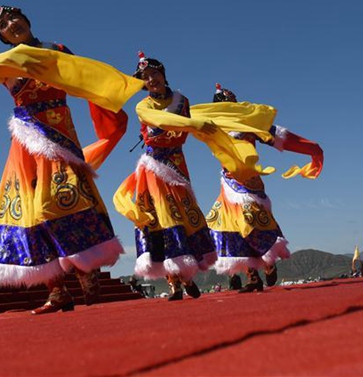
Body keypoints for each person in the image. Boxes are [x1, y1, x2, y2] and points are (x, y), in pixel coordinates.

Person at [0, 3, 143, 314]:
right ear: (1, 35)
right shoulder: (4, 63)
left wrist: (114, 91)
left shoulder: (57, 49)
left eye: (14, 18)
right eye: (3, 25)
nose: (11, 24)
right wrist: (23, 59)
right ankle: (57, 290)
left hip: (60, 134)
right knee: (25, 209)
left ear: (26, 19)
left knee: (60, 199)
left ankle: (86, 269)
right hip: (26, 138)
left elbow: (87, 79)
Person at [113, 52, 220, 300]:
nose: (151, 79)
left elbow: (182, 131)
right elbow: (160, 120)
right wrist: (192, 125)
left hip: (177, 165)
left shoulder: (183, 101)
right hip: (153, 167)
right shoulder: (143, 106)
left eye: (154, 74)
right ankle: (174, 282)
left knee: (184, 214)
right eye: (145, 77)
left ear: (163, 74)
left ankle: (187, 275)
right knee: (162, 217)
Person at [205, 84, 324, 292]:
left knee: (251, 224)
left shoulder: (250, 124)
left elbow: (278, 136)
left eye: (228, 104)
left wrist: (311, 148)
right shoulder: (213, 128)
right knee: (229, 229)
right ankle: (252, 277)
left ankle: (269, 262)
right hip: (228, 183)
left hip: (249, 183)